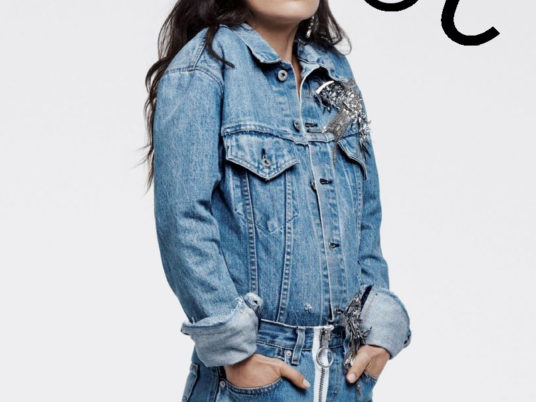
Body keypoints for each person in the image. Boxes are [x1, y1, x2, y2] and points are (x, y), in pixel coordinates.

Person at [143, 1, 412, 400]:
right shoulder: (204, 67)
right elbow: (182, 221)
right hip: (256, 377)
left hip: (345, 375)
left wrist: (378, 330)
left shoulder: (334, 72)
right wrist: (238, 355)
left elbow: (365, 214)